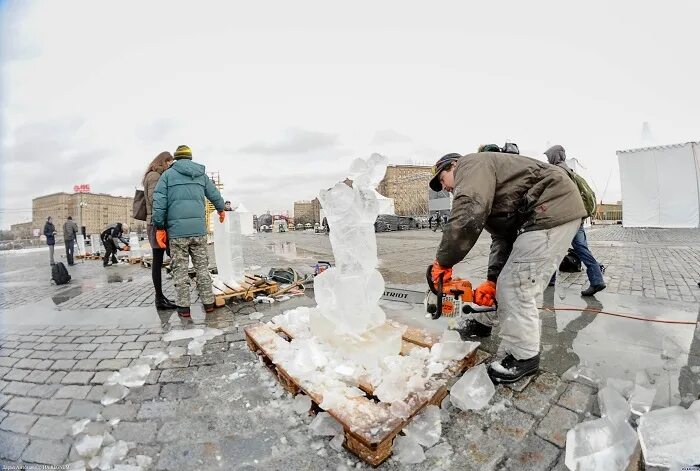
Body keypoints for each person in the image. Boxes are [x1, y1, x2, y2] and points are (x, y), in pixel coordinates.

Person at [428, 151, 586, 383]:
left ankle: (524, 357)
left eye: (442, 180)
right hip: (540, 214)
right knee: (505, 280)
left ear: (453, 165)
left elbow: (469, 212)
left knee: (517, 284)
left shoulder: (470, 164)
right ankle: (483, 322)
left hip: (550, 209)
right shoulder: (492, 185)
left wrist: (444, 261)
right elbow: (502, 239)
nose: (445, 188)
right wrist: (492, 280)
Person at [152, 145, 226, 318]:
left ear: (176, 158)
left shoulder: (167, 176)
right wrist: (221, 209)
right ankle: (208, 303)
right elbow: (214, 194)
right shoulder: (201, 175)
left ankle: (184, 309)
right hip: (199, 232)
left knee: (180, 271)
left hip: (177, 234)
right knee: (202, 269)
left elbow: (159, 203)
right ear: (190, 158)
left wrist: (160, 227)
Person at [545, 145, 606, 296]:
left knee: (553, 250)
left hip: (565, 219)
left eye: (549, 156)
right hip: (576, 218)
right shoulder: (570, 172)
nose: (547, 159)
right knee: (581, 250)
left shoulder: (557, 172)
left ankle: (551, 280)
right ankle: (597, 280)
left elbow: (554, 198)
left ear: (555, 156)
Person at [143, 151, 177, 310]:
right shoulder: (154, 177)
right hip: (156, 223)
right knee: (157, 260)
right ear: (164, 161)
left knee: (159, 259)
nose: (171, 164)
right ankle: (159, 299)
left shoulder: (153, 175)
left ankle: (160, 298)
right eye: (170, 162)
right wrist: (161, 225)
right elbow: (156, 201)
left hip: (157, 222)